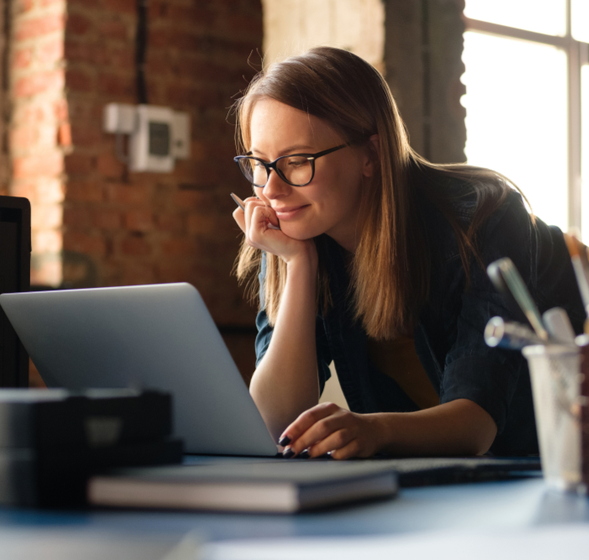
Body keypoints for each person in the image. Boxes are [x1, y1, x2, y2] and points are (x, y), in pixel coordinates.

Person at [230, 46, 584, 460]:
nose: (271, 190)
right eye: (259, 163)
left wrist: (374, 430)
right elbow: (275, 419)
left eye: (297, 161)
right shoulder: (294, 232)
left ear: (371, 154)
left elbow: (477, 426)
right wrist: (299, 264)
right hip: (454, 486)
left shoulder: (483, 217)